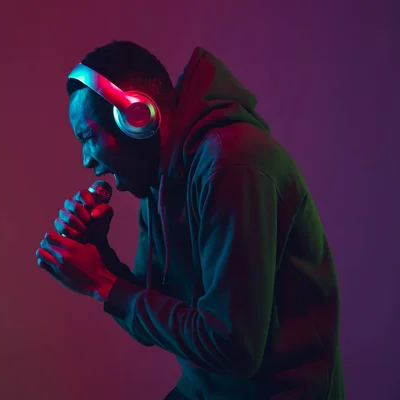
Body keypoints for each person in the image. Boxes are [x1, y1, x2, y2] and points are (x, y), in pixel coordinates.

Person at [35, 41, 344, 399]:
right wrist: (101, 256)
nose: (86, 160)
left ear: (136, 117)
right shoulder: (162, 178)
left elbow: (234, 348)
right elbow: (157, 320)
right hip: (211, 390)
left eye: (87, 137)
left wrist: (103, 283)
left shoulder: (231, 165)